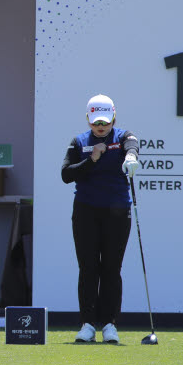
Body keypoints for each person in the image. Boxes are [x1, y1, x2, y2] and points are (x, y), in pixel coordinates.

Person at [61, 94, 139, 344]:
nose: (101, 126)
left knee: (111, 269)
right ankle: (87, 324)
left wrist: (131, 158)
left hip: (117, 212)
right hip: (86, 211)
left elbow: (132, 144)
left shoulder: (123, 136)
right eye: (96, 122)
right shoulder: (79, 142)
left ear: (113, 117)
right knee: (88, 268)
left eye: (105, 121)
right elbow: (66, 174)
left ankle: (109, 324)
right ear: (88, 119)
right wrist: (91, 159)